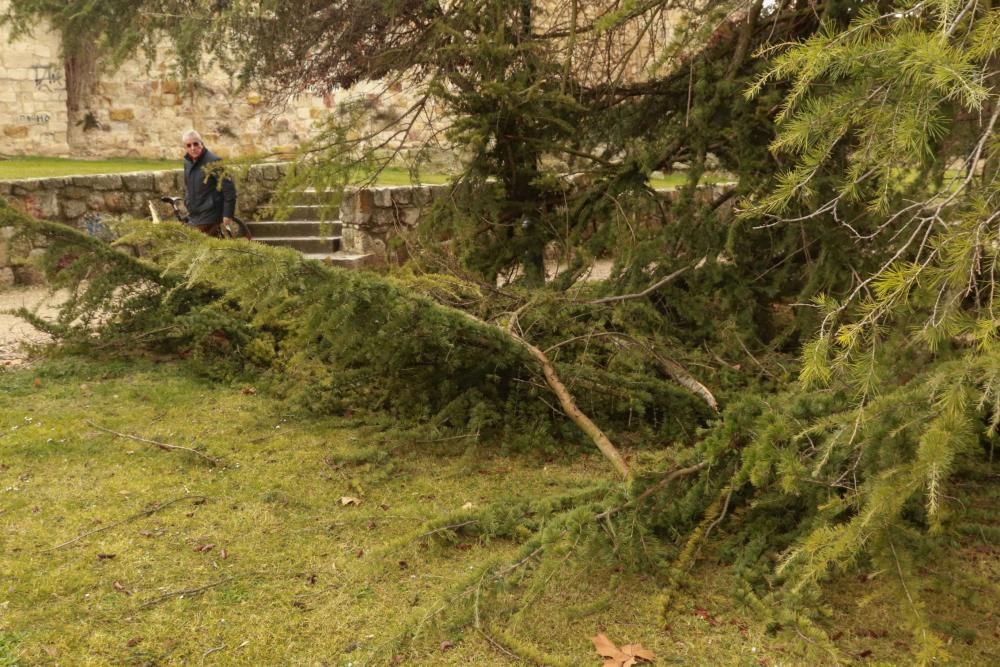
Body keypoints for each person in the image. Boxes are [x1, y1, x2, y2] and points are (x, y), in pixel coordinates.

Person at [181, 130, 237, 236]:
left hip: (211, 214)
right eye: (189, 145)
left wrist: (227, 214)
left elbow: (229, 189)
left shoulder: (214, 161)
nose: (192, 148)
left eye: (195, 144)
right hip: (195, 214)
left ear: (201, 143)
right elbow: (187, 185)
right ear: (185, 147)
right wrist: (187, 201)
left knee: (197, 244)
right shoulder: (187, 163)